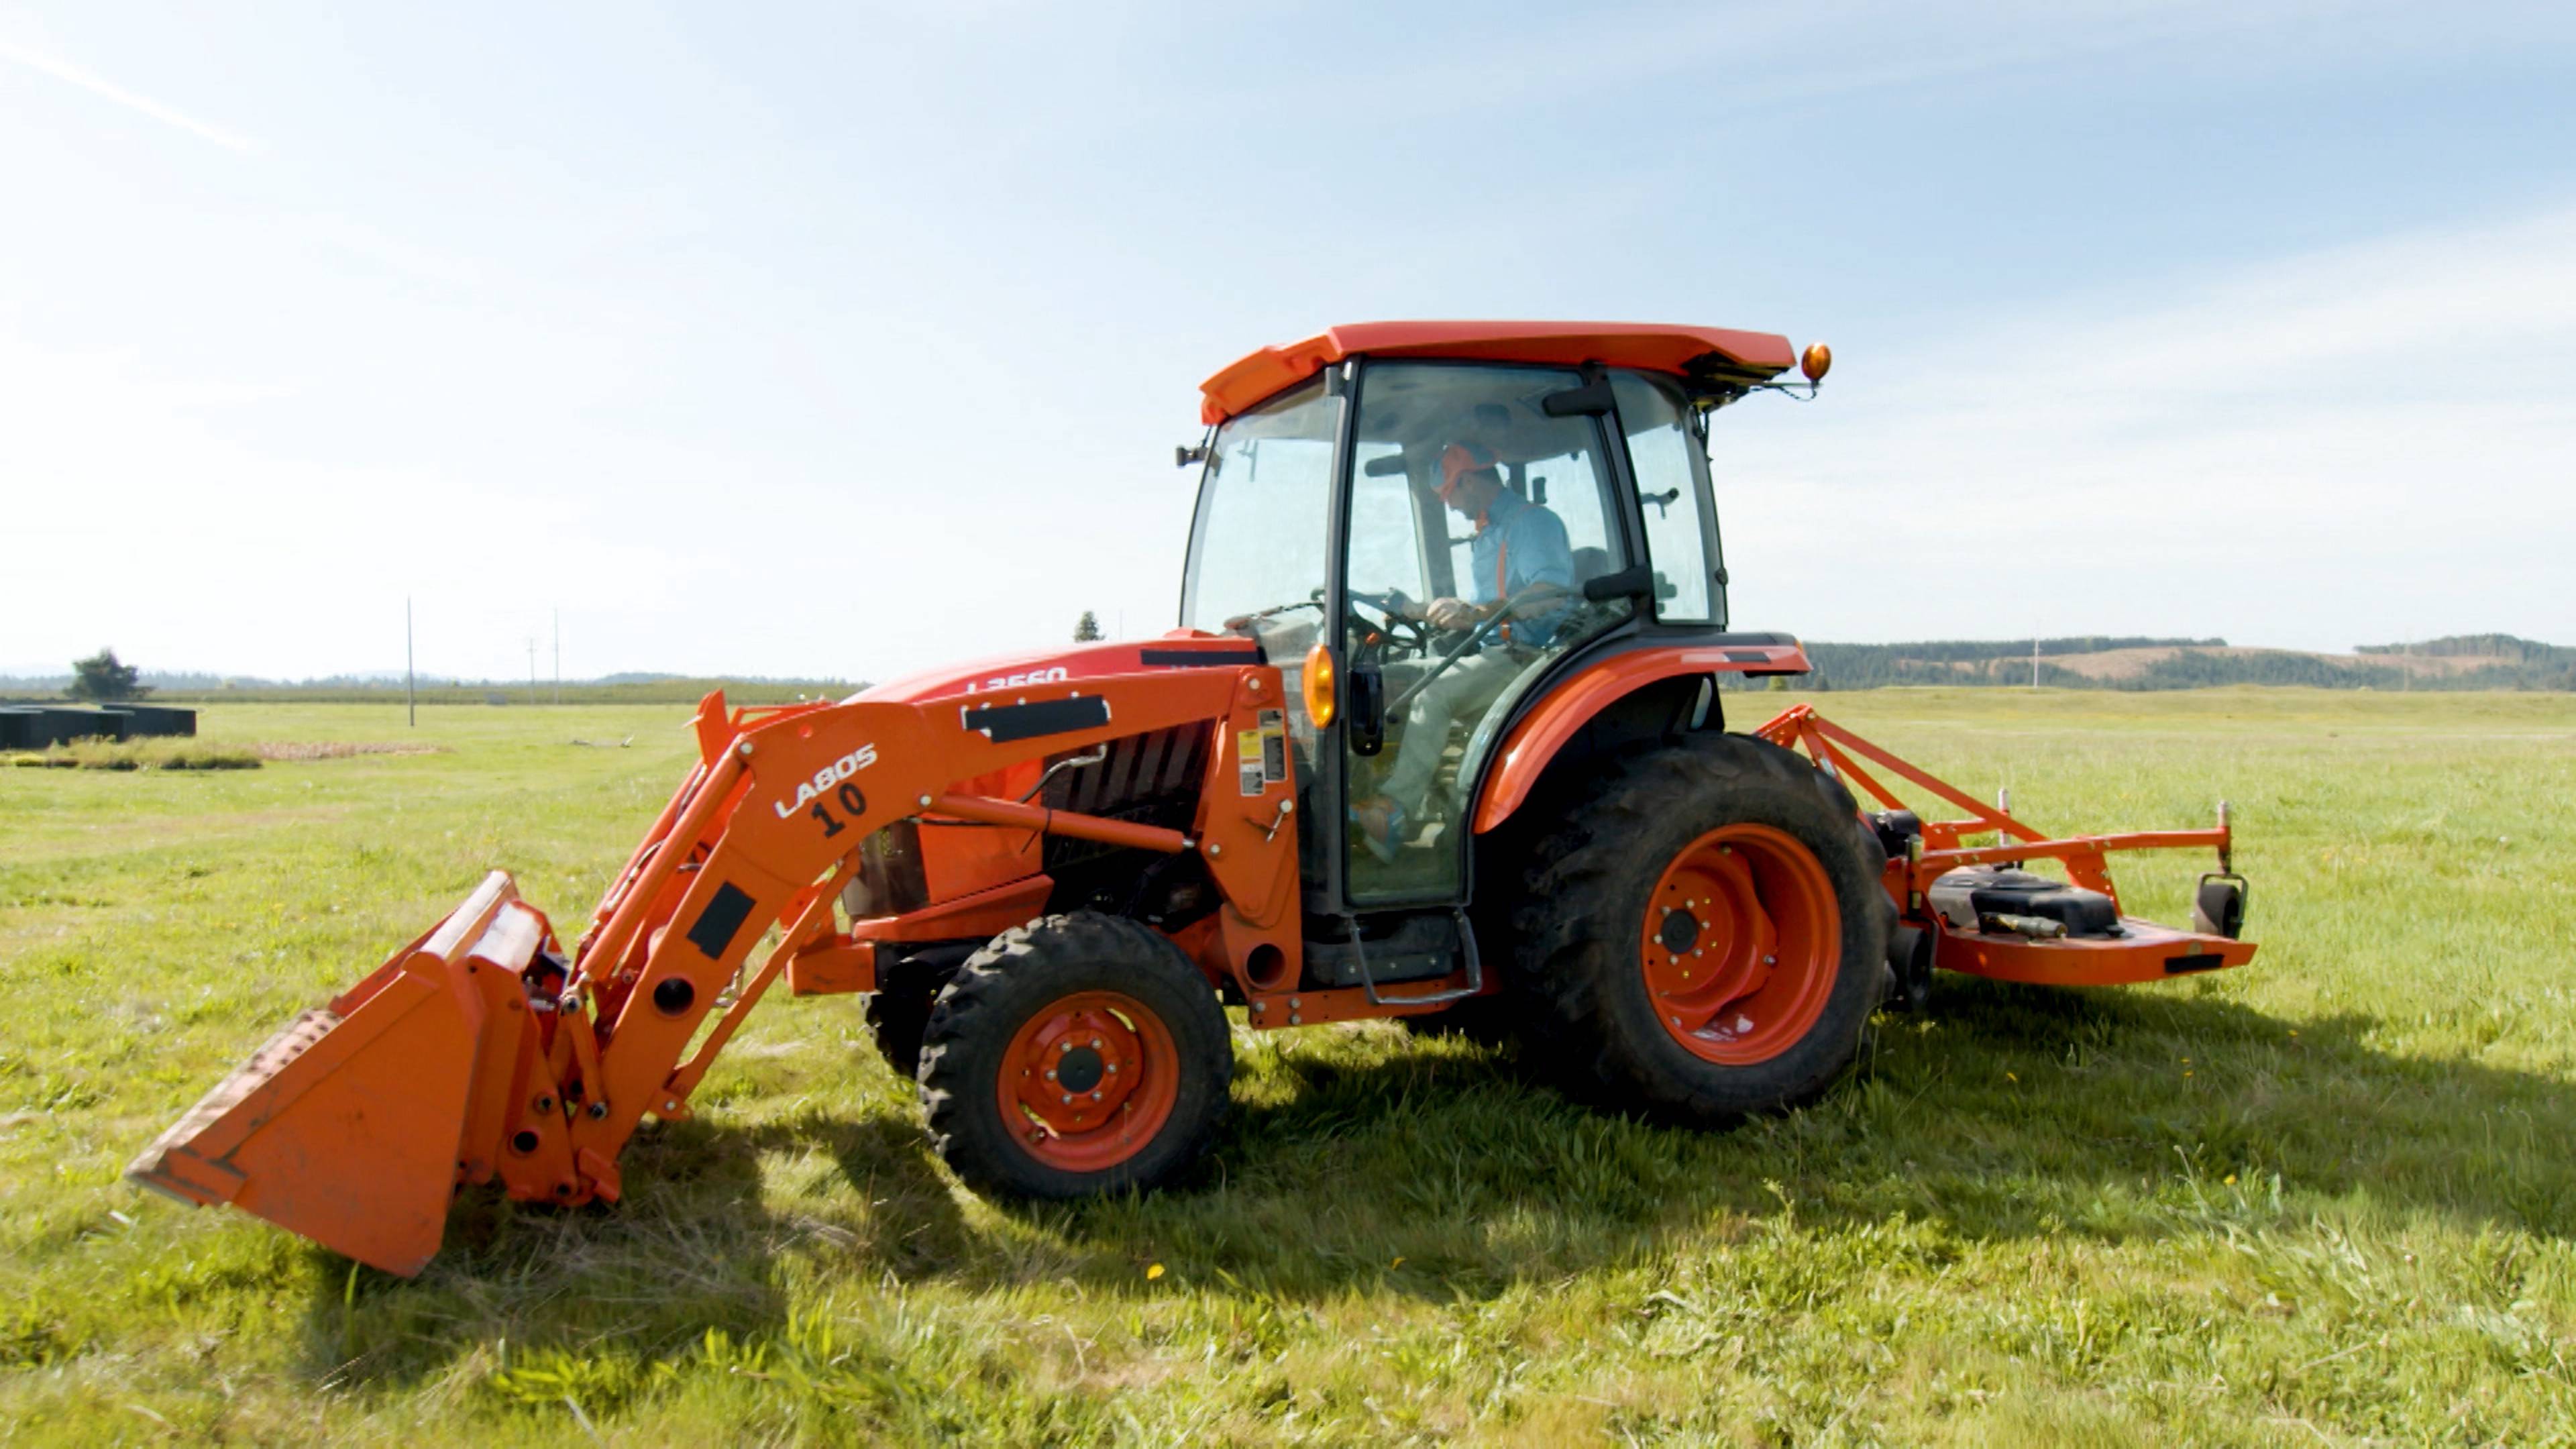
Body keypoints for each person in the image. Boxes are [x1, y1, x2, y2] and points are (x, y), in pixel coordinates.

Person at [1350, 441, 1574, 863]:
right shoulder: (1488, 533)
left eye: (1448, 495)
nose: (1449, 506)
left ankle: (1394, 810)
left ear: (1468, 481)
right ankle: (1368, 796)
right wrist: (1419, 610)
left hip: (1528, 656)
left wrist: (1473, 612)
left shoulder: (1533, 523)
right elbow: (1482, 610)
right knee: (1382, 677)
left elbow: (1551, 595)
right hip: (1491, 650)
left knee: (1434, 692)